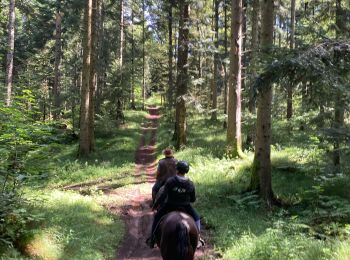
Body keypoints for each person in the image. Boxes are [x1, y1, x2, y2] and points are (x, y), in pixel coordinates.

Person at [146, 160, 205, 248]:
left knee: (157, 217)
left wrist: (155, 205)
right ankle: (198, 238)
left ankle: (153, 238)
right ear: (186, 171)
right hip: (185, 206)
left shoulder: (170, 181)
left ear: (177, 169)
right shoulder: (190, 184)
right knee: (196, 218)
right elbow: (193, 199)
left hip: (169, 205)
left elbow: (163, 195)